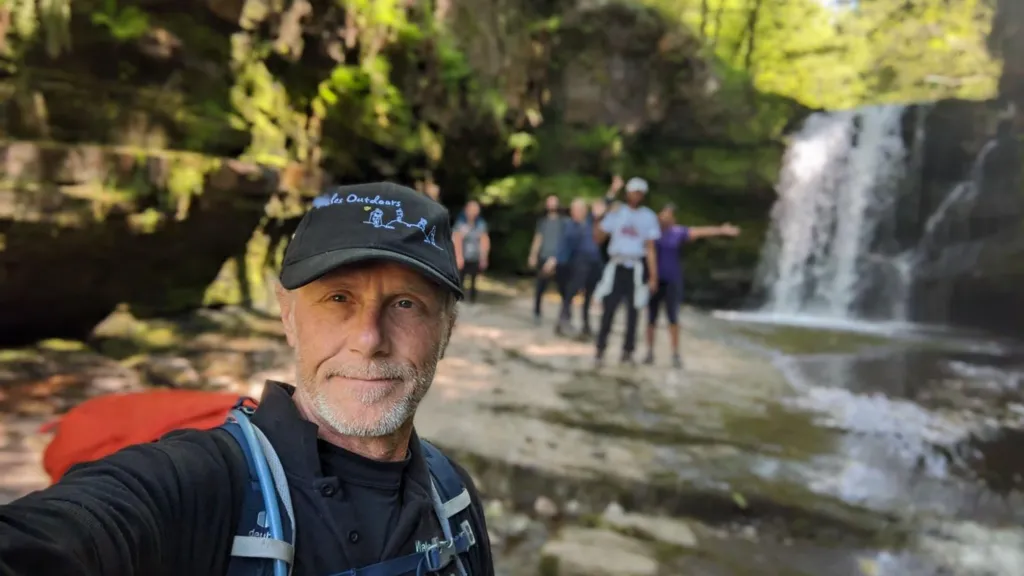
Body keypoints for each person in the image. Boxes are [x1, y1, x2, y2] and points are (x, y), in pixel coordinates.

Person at [0, 182, 494, 576]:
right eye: (338, 299)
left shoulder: (451, 495)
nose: (369, 339)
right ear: (288, 316)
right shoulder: (201, 485)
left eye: (405, 304)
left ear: (446, 329)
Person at [644, 203, 740, 368]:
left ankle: (675, 354)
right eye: (664, 214)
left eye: (669, 215)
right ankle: (649, 352)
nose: (666, 217)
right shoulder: (652, 233)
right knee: (651, 317)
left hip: (673, 280)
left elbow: (700, 232)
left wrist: (721, 230)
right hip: (655, 280)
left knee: (673, 317)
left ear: (673, 218)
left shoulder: (678, 233)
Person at [592, 176, 660, 366]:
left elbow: (650, 248)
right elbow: (599, 237)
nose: (635, 196)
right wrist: (598, 218)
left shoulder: (648, 217)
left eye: (639, 193)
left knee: (634, 311)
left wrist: (653, 276)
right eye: (633, 192)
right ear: (628, 193)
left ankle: (628, 350)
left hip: (636, 268)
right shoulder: (617, 212)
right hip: (617, 265)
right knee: (609, 309)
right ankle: (600, 347)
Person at [553, 198, 603, 337]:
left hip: (594, 262)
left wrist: (614, 188)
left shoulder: (589, 222)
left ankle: (586, 324)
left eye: (581, 209)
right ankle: (562, 320)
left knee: (589, 293)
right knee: (571, 292)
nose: (578, 212)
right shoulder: (569, 226)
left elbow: (602, 205)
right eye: (575, 210)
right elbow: (564, 245)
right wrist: (556, 261)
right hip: (579, 262)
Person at [526, 195, 565, 324]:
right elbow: (538, 239)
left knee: (563, 288)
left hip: (559, 259)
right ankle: (536, 313)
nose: (551, 205)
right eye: (549, 202)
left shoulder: (563, 222)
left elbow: (565, 241)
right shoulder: (542, 222)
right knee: (540, 287)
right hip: (543, 257)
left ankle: (564, 315)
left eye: (554, 202)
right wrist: (533, 255)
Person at [453, 200, 490, 304]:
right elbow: (457, 240)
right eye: (471, 209)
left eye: (476, 209)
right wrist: (459, 256)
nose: (473, 212)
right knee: (461, 279)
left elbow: (484, 240)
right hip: (463, 255)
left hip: (475, 256)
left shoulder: (481, 224)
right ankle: (459, 301)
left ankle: (472, 301)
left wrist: (484, 257)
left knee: (474, 279)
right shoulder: (460, 224)